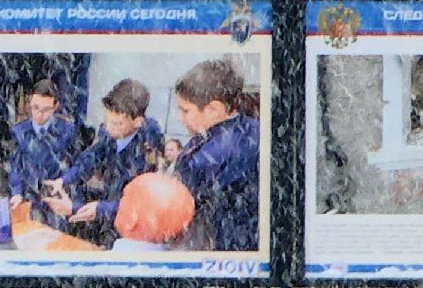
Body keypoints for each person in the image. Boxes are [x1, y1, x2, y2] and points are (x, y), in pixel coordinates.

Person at [44, 78, 162, 246]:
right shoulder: (108, 132)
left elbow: (136, 206)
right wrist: (63, 180)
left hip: (132, 227)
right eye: (107, 120)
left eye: (117, 123)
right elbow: (90, 158)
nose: (108, 127)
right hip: (107, 210)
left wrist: (97, 209)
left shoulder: (148, 147)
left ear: (138, 122)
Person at [172, 59, 261, 251]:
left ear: (214, 109)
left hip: (220, 246)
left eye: (185, 110)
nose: (180, 118)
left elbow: (169, 207)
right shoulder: (255, 130)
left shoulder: (204, 158)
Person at [7, 78, 78, 228]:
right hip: (28, 197)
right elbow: (15, 166)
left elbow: (76, 164)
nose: (39, 114)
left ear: (55, 106)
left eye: (46, 110)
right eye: (35, 108)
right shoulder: (19, 131)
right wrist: (16, 191)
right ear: (29, 103)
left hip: (56, 197)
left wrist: (65, 182)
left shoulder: (67, 130)